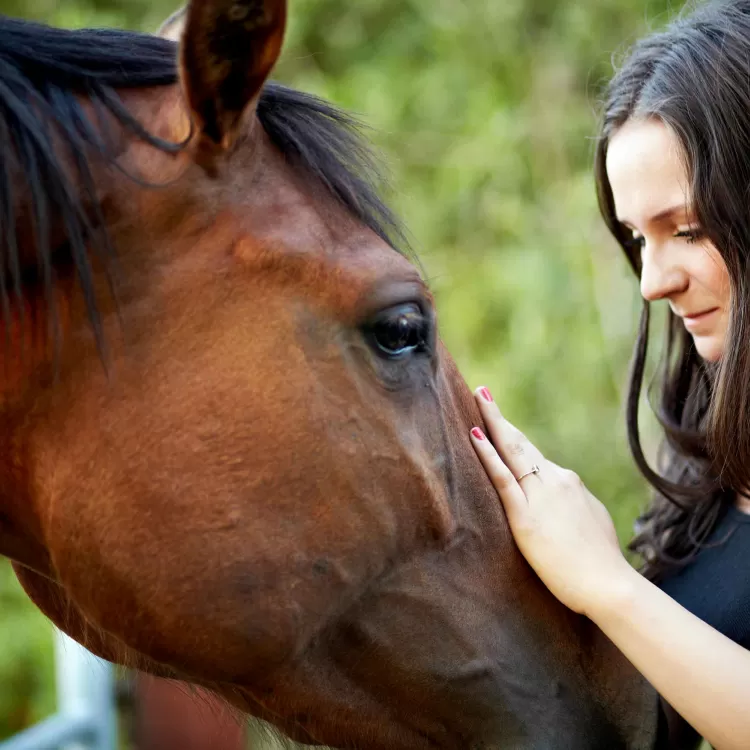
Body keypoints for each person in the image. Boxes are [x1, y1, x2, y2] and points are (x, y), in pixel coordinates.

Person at [469, 2, 750, 748]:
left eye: (686, 229)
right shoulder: (715, 448)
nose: (652, 280)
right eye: (637, 238)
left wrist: (609, 586)